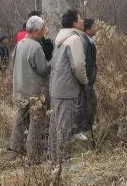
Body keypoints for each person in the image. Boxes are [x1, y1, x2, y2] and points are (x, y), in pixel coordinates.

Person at [9, 16, 50, 163]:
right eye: (43, 28)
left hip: (20, 89)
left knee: (20, 120)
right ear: (37, 31)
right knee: (36, 123)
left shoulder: (19, 44)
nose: (45, 31)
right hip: (35, 91)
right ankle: (32, 156)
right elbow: (43, 70)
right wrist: (53, 61)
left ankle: (14, 149)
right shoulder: (36, 47)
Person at [48, 10, 87, 163]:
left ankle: (54, 159)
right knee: (65, 127)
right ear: (74, 23)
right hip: (67, 89)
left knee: (56, 125)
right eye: (80, 19)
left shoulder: (60, 38)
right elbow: (78, 66)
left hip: (57, 88)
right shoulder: (74, 39)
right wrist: (84, 81)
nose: (83, 21)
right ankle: (63, 163)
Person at [74, 19, 98, 139]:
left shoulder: (89, 41)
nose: (96, 28)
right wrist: (84, 79)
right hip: (85, 79)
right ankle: (79, 129)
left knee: (89, 102)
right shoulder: (83, 42)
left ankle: (87, 126)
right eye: (94, 26)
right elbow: (82, 63)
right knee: (82, 104)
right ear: (87, 30)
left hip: (89, 79)